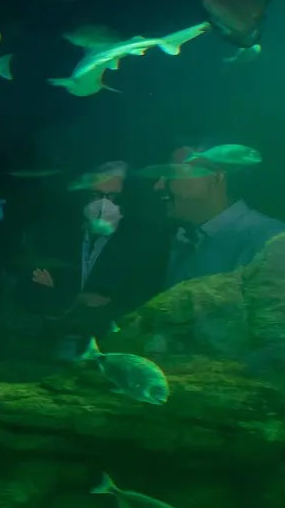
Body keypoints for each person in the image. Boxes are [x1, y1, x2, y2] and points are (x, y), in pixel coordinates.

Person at [32, 161, 167, 357]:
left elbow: (146, 296)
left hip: (115, 350)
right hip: (49, 346)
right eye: (96, 195)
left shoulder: (146, 244)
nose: (103, 204)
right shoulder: (59, 238)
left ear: (127, 198)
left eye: (113, 196)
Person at [154, 144, 285, 288]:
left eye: (173, 172)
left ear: (216, 175)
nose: (158, 186)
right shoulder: (184, 240)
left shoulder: (269, 241)